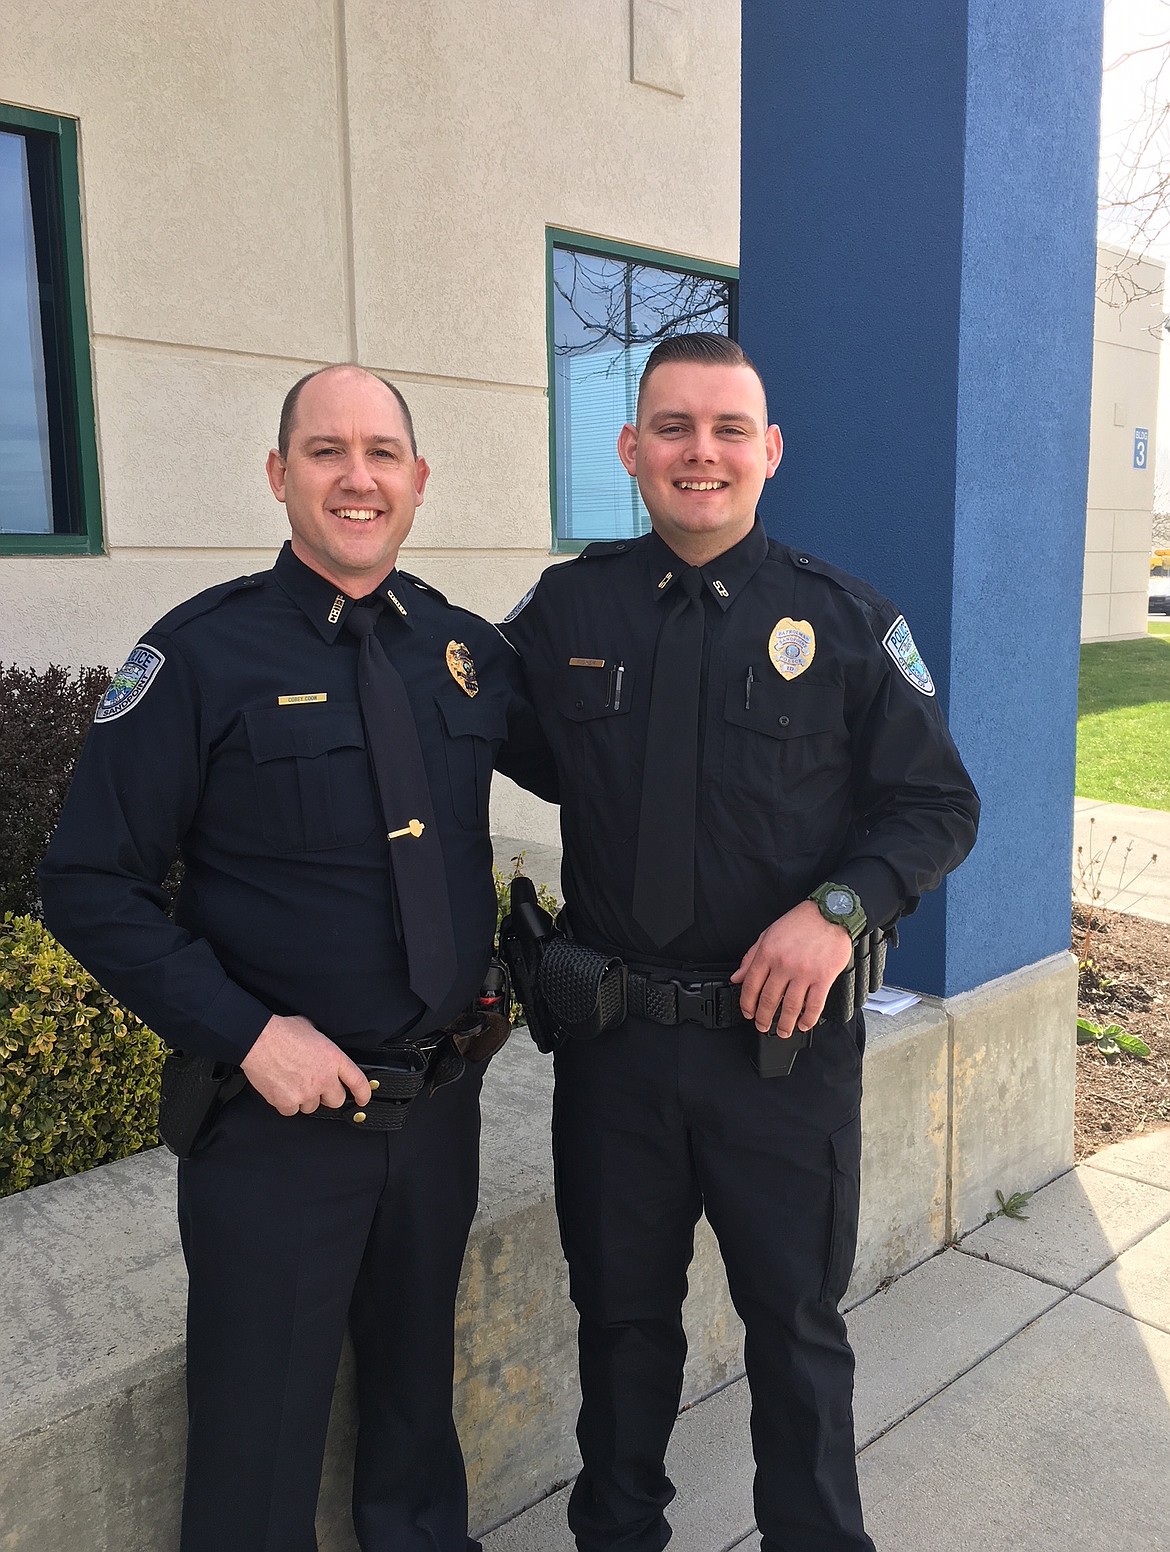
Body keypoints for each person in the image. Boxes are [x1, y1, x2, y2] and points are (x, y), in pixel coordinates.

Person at [39, 365, 555, 1552]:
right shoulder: (198, 656)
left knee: (419, 1417)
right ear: (281, 477)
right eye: (326, 451)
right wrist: (249, 1033)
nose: (357, 476)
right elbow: (86, 884)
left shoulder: (465, 653)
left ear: (419, 482)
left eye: (383, 453)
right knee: (257, 1451)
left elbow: (608, 762)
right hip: (275, 1132)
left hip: (437, 1115)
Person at [500, 333, 979, 1552]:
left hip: (781, 1059)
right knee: (618, 1321)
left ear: (768, 451)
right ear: (631, 449)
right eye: (672, 427)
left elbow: (936, 807)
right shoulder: (567, 610)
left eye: (726, 430)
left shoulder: (849, 621)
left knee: (795, 1326)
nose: (698, 453)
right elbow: (461, 716)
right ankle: (616, 1533)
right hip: (614, 1051)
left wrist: (839, 913)